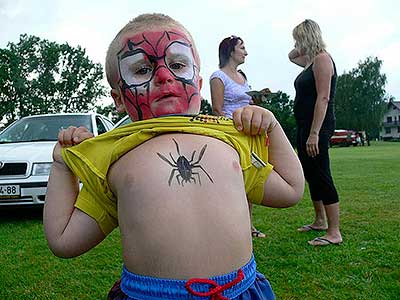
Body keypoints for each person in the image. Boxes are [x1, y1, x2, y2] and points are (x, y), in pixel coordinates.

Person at [44, 13, 304, 300]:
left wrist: (273, 126)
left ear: (199, 81)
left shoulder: (232, 140)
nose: (165, 76)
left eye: (178, 65)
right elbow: (63, 241)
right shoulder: (112, 160)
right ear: (118, 98)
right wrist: (61, 166)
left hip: (239, 290)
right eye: (142, 70)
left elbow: (291, 190)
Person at [288, 19, 343, 246]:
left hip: (317, 126)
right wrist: (301, 45)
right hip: (305, 125)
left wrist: (314, 133)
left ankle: (334, 232)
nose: (295, 44)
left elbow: (323, 97)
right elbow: (291, 56)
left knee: (321, 172)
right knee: (310, 172)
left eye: (299, 38)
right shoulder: (309, 61)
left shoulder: (322, 59)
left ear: (307, 37)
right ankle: (319, 220)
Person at [210, 36, 265, 239]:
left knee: (249, 179)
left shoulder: (243, 76)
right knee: (232, 181)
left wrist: (258, 99)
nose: (246, 52)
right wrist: (232, 132)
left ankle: (249, 226)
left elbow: (248, 102)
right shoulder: (218, 76)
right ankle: (231, 226)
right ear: (231, 51)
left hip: (249, 133)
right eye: (242, 48)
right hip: (230, 134)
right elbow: (217, 109)